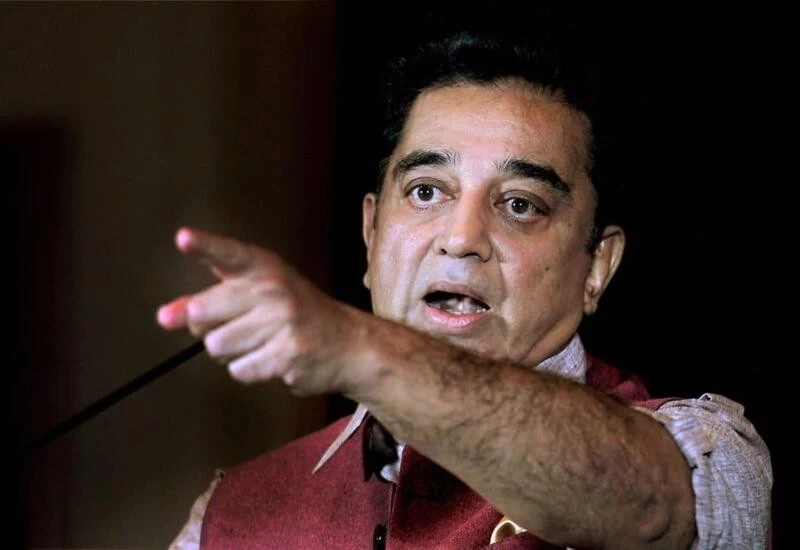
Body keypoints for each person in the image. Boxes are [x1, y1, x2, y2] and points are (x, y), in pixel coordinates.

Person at [159, 30, 772, 549]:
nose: (461, 238)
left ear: (597, 267)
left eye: (520, 204)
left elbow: (644, 508)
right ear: (371, 232)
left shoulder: (711, 456)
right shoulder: (230, 516)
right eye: (426, 191)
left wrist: (355, 347)